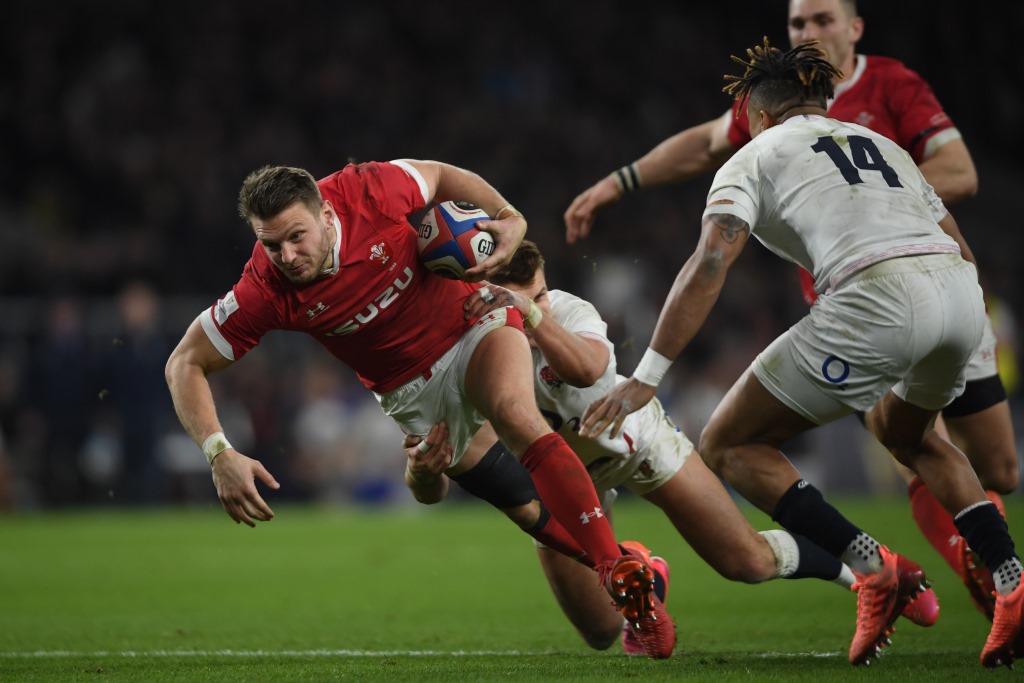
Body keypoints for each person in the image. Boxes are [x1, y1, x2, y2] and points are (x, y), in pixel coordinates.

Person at [564, 0, 1015, 623]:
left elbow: (711, 262)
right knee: (912, 438)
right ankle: (1012, 581)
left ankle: (871, 565)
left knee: (729, 443)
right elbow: (958, 240)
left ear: (757, 113)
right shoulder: (883, 146)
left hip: (872, 302)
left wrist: (647, 376)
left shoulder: (754, 153)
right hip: (961, 296)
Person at [163, 159, 675, 659]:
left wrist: (509, 215)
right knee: (522, 507)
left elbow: (442, 175)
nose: (288, 255)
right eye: (271, 244)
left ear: (324, 213)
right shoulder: (263, 289)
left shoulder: (369, 190)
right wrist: (218, 452)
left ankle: (615, 570)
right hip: (410, 392)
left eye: (297, 236)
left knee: (514, 412)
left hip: (470, 322)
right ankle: (636, 568)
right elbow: (184, 362)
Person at [402, 240, 933, 657]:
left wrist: (532, 316)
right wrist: (423, 472)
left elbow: (587, 368)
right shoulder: (462, 355)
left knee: (745, 561)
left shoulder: (567, 311)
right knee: (602, 631)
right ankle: (648, 572)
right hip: (566, 488)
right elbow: (434, 489)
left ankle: (865, 573)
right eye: (517, 297)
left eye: (538, 293)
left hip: (638, 444)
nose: (534, 305)